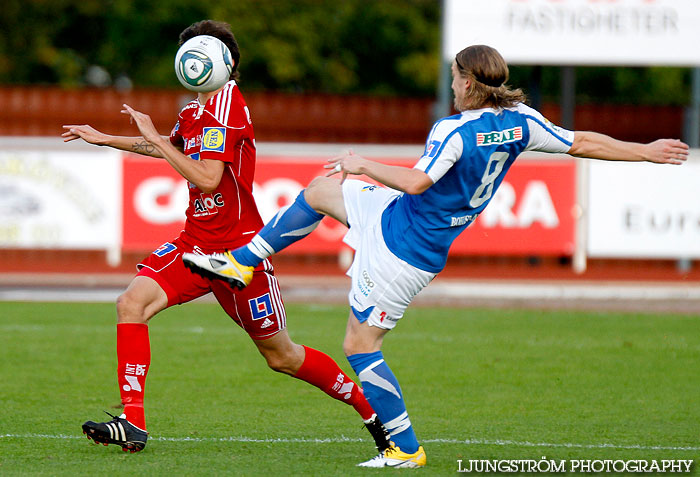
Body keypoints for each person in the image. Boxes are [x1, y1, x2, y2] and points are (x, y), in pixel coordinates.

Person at [182, 44, 689, 467]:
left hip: (400, 250)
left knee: (360, 345)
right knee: (318, 190)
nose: (451, 86)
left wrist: (362, 163)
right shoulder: (519, 121)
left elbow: (419, 180)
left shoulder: (453, 129)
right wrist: (645, 150)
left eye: (454, 78)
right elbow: (580, 142)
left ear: (469, 83)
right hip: (404, 223)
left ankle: (405, 448)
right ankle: (244, 259)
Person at [61, 20, 390, 454]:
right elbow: (167, 144)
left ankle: (375, 415)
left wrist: (158, 144)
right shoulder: (194, 109)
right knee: (131, 302)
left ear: (223, 63)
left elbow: (210, 177)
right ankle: (133, 422)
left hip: (239, 255)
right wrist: (105, 139)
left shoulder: (227, 107)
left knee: (282, 357)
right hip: (194, 245)